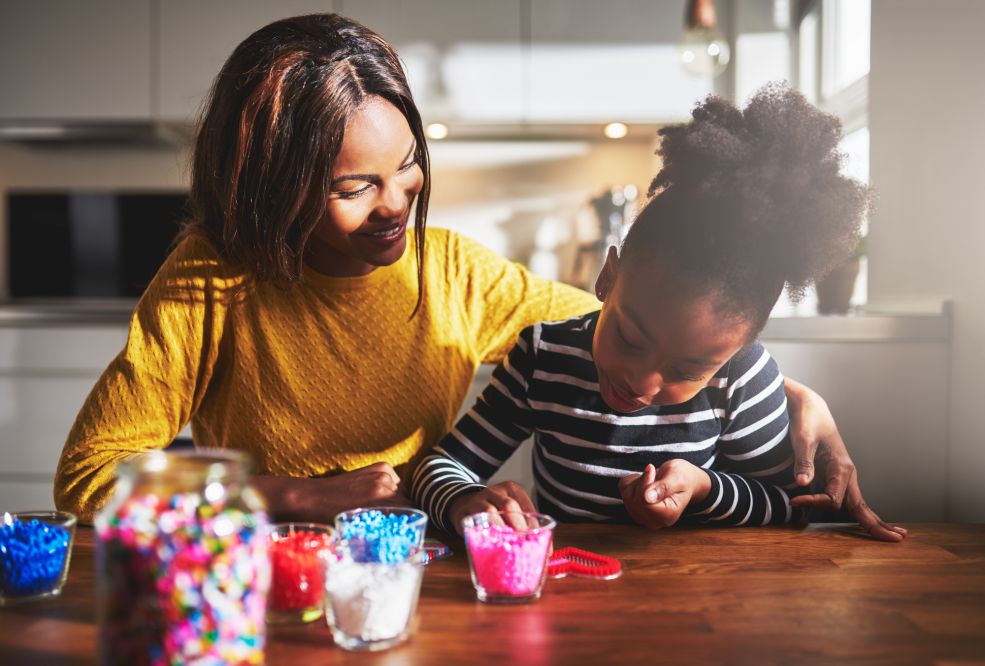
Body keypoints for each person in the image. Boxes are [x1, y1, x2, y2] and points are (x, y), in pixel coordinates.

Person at [54, 13, 873, 528]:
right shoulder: (209, 279)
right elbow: (89, 480)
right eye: (353, 186)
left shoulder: (455, 275)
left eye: (407, 167)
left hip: (412, 575)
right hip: (252, 577)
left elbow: (626, 327)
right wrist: (294, 497)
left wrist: (797, 394)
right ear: (273, 185)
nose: (395, 205)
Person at [412, 84, 907, 542]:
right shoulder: (542, 356)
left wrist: (705, 489)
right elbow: (440, 466)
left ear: (736, 349)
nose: (642, 382)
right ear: (607, 279)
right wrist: (463, 499)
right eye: (630, 339)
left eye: (687, 371)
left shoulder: (743, 378)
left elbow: (798, 506)